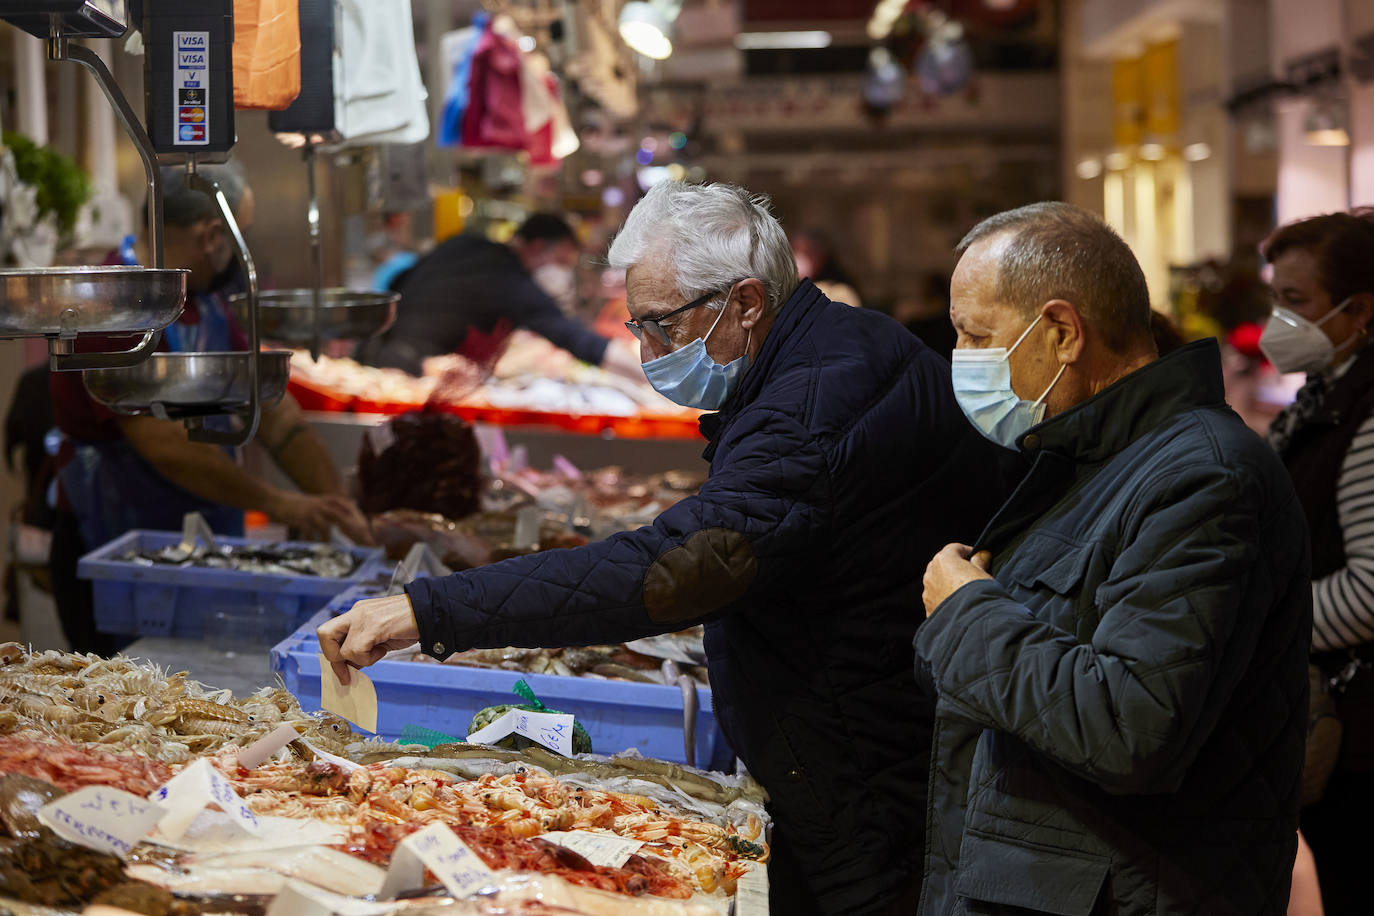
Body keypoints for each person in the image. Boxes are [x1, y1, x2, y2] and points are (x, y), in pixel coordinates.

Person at [320, 180, 1019, 914]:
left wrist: (430, 610)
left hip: (868, 777)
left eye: (663, 326)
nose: (649, 352)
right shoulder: (841, 342)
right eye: (637, 327)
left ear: (746, 303)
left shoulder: (811, 411)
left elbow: (670, 572)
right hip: (869, 738)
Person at [916, 202, 1310, 915]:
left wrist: (965, 611)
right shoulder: (1086, 454)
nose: (962, 360)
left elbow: (1132, 727)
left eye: (976, 336)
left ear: (1062, 332)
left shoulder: (1206, 477)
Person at [49, 162, 371, 655]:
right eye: (241, 234)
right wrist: (282, 502)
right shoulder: (112, 301)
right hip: (114, 541)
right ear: (212, 234)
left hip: (202, 533)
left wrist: (334, 503)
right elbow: (165, 446)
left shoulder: (210, 300)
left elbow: (272, 410)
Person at [1259, 209, 1374, 915]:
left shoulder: (1366, 417)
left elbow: (1371, 589)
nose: (1277, 322)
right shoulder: (1325, 399)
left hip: (1364, 732)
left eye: (1295, 302)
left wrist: (1268, 625)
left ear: (1358, 309)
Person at [361, 213, 641, 378]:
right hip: (413, 371)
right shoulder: (512, 283)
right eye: (560, 261)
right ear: (537, 247)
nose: (561, 273)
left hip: (374, 350)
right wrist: (651, 376)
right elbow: (576, 340)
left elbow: (400, 280)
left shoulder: (464, 243)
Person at [790, 227, 864, 307]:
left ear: (822, 255)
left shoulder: (840, 292)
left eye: (807, 252)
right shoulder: (785, 290)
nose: (799, 258)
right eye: (795, 250)